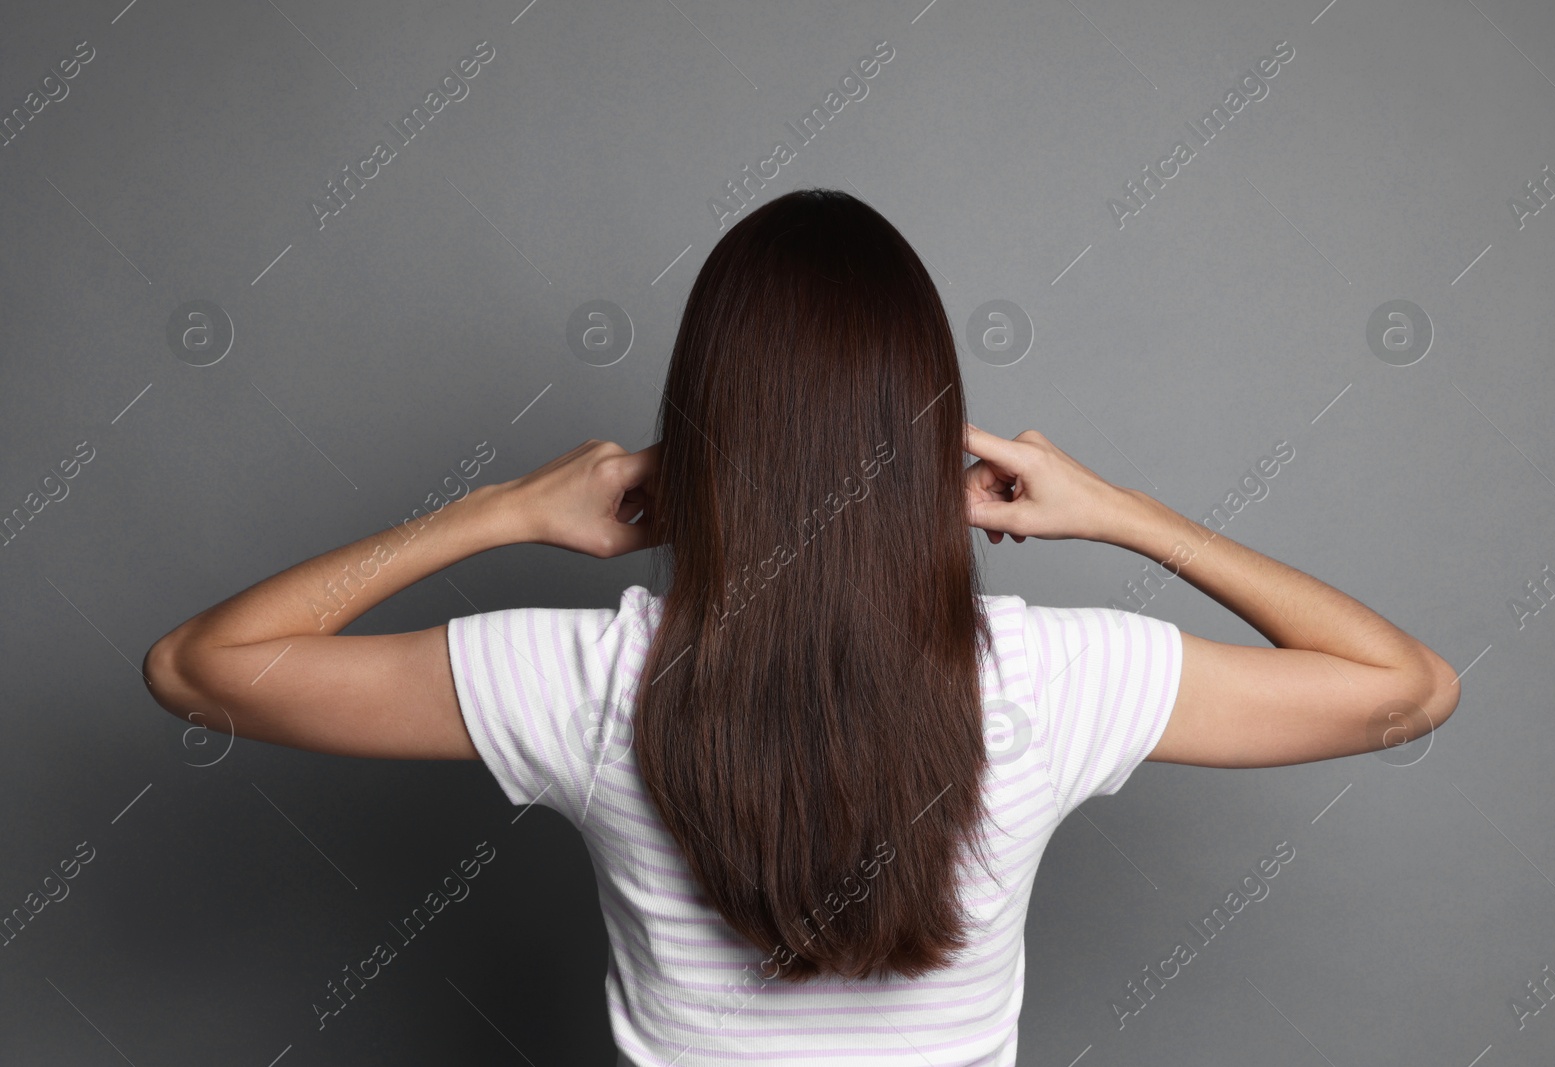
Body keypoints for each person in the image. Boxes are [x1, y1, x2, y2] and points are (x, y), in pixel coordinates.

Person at [143, 188, 1459, 1066]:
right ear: (930, 429)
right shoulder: (1050, 681)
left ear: (707, 435)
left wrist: (504, 513)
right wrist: (1125, 515)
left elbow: (201, 670)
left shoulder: (596, 677)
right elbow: (1405, 689)